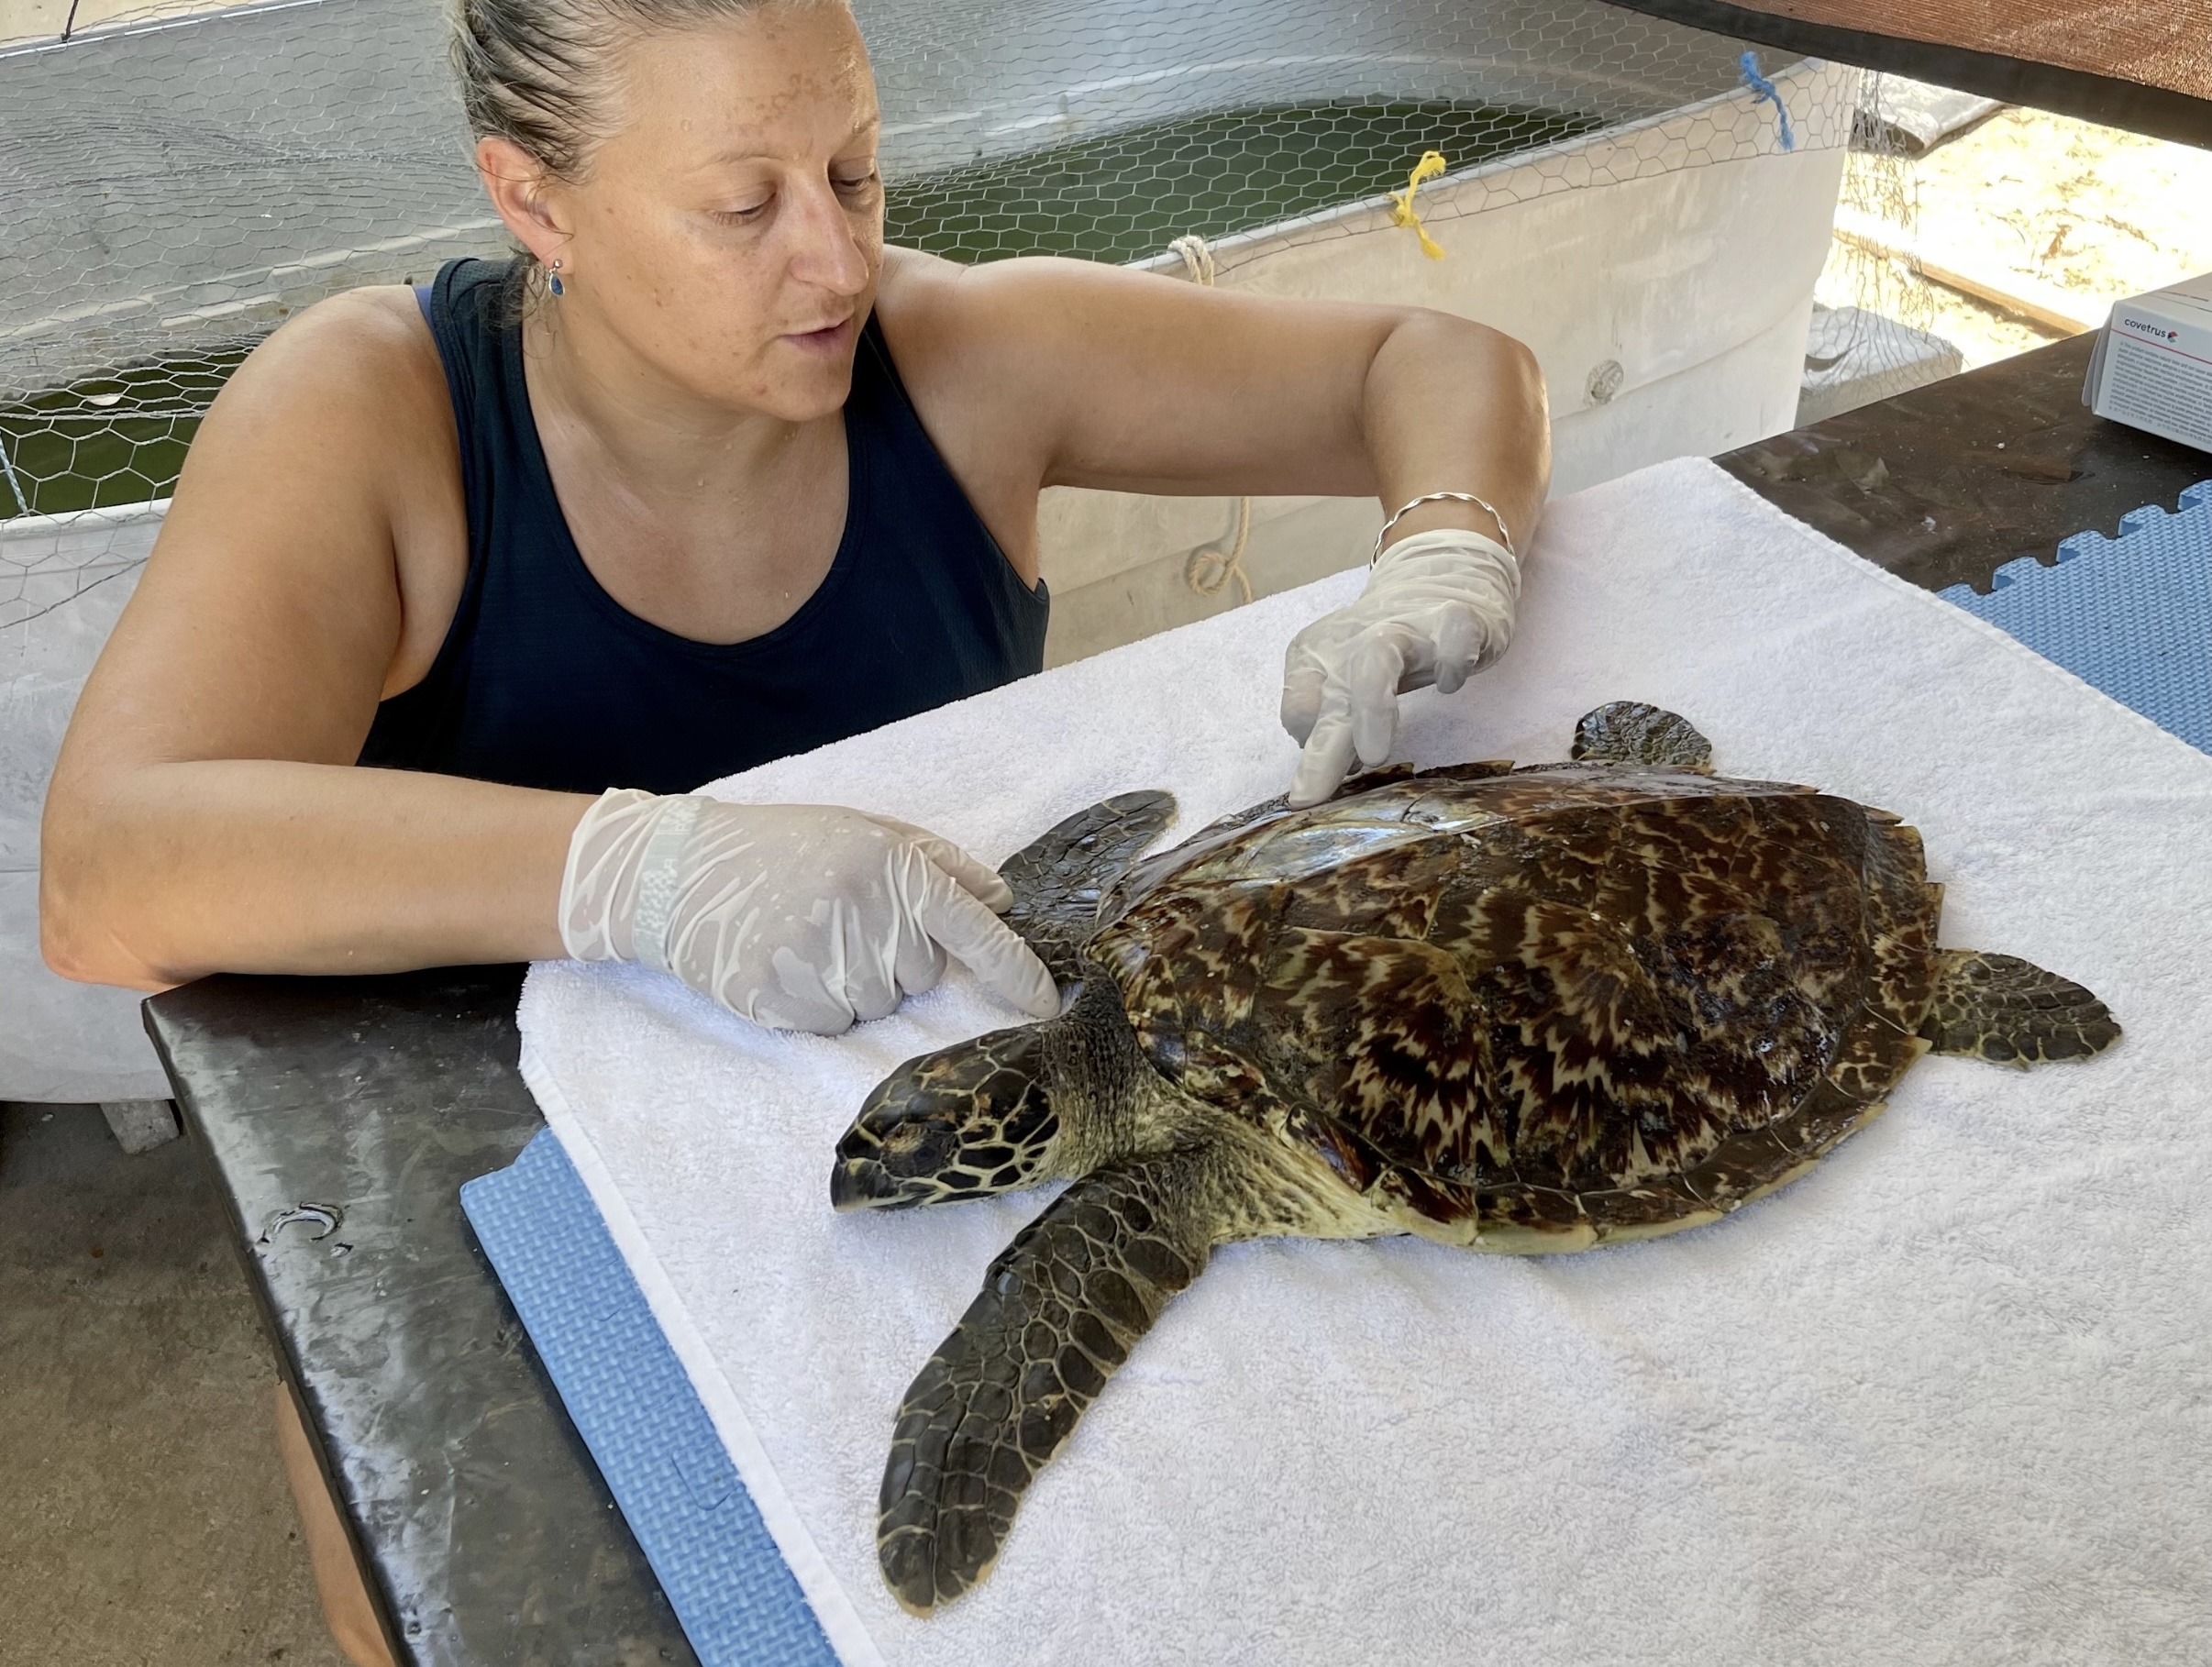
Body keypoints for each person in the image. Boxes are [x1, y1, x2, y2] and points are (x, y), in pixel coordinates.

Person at [41, 0, 1549, 1042]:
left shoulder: (957, 359)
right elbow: (106, 876)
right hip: (490, 1167)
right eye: (743, 207)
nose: (835, 267)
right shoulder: (379, 413)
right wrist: (643, 877)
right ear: (536, 202)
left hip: (927, 1097)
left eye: (853, 171)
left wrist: (1443, 550)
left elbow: (1436, 362)